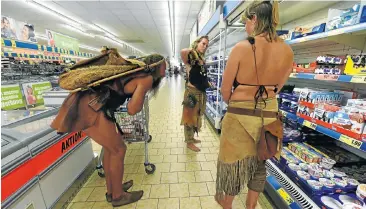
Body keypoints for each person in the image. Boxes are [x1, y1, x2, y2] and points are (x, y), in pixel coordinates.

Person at [51, 48, 166, 207]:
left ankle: (113, 190)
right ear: (156, 67)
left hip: (90, 104)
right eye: (164, 67)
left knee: (110, 149)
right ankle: (118, 196)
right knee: (119, 150)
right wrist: (139, 97)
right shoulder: (145, 79)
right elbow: (133, 109)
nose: (165, 70)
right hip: (92, 108)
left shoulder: (134, 73)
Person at [215, 1, 293, 209]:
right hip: (269, 115)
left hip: (239, 116)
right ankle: (251, 206)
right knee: (260, 162)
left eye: (246, 23)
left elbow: (225, 91)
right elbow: (278, 88)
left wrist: (240, 98)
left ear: (255, 19)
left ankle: (228, 205)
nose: (246, 28)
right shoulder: (287, 51)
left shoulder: (242, 48)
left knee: (234, 165)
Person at [180, 36, 210, 152]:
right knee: (189, 118)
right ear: (197, 43)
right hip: (191, 93)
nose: (205, 46)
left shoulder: (202, 59)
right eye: (203, 43)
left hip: (200, 92)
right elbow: (183, 52)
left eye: (206, 45)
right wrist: (192, 51)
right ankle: (189, 142)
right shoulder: (190, 58)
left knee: (196, 116)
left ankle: (191, 137)